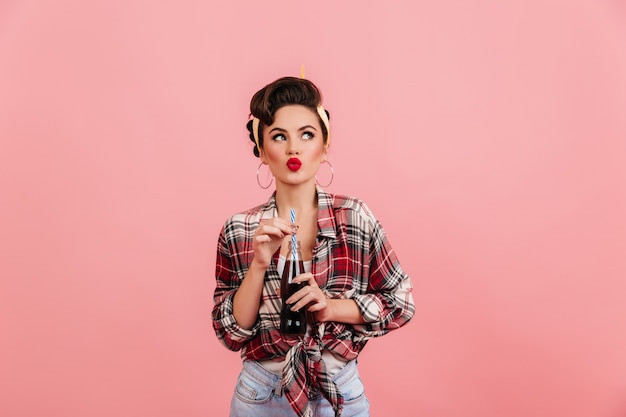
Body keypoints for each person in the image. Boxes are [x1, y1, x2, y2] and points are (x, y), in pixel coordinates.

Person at [212, 75, 415, 417]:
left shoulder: (354, 217)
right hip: (261, 395)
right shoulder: (241, 229)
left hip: (338, 392)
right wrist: (260, 264)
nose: (294, 148)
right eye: (279, 136)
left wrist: (331, 307)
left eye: (307, 134)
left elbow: (401, 303)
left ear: (324, 144)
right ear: (262, 150)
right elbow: (231, 334)